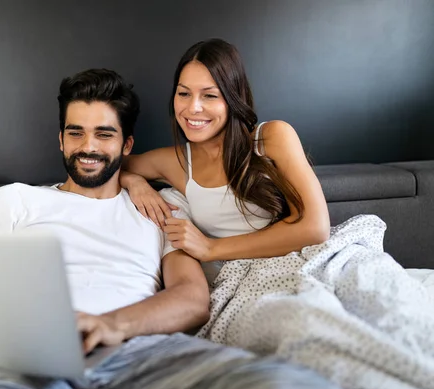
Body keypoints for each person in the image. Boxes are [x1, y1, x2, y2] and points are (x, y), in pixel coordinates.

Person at [0, 69, 346, 389]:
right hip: (27, 355)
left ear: (127, 144)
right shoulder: (16, 201)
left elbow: (192, 300)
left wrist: (113, 324)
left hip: (142, 349)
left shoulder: (163, 209)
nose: (87, 146)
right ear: (60, 140)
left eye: (104, 134)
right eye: (75, 132)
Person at [120, 38, 330, 282]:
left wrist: (211, 248)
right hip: (242, 284)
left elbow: (315, 228)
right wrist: (133, 182)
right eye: (184, 93)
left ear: (232, 98)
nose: (193, 108)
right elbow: (102, 165)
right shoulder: (175, 161)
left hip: (299, 267)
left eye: (209, 96)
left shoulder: (272, 137)